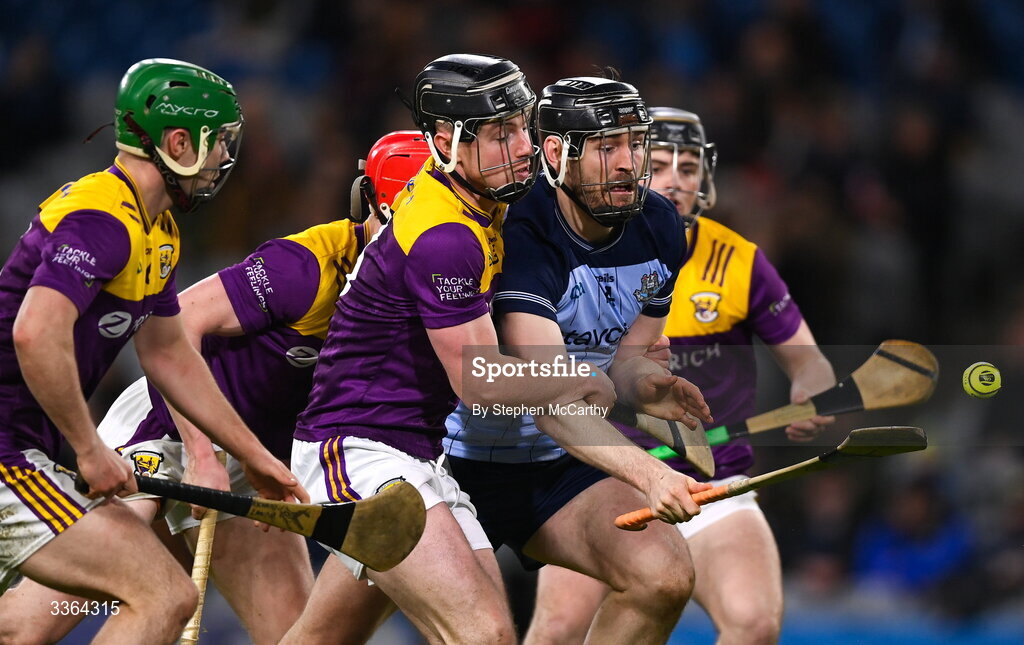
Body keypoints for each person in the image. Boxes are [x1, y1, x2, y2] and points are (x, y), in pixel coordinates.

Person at [0, 129, 429, 643]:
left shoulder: (441, 296)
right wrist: (204, 454)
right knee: (33, 626)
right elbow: (180, 331)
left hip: (253, 465)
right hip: (164, 433)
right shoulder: (307, 265)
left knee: (291, 634)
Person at [281, 54, 616, 645]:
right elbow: (480, 383)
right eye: (499, 133)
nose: (520, 146)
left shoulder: (474, 198)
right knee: (481, 634)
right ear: (445, 140)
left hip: (415, 452)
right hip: (356, 448)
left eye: (522, 125)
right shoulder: (447, 236)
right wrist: (569, 381)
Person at [0, 58, 305, 645]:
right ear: (178, 142)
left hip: (21, 451)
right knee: (164, 595)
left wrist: (251, 454)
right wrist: (89, 449)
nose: (224, 160)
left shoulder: (155, 229)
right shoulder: (102, 218)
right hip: (6, 455)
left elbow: (168, 353)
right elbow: (34, 332)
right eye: (219, 143)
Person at [527, 108, 837, 645]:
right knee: (558, 630)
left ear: (705, 179)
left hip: (715, 484)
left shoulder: (739, 261)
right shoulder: (575, 246)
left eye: (689, 167)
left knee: (755, 625)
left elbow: (808, 359)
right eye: (661, 162)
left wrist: (812, 385)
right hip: (605, 477)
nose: (675, 179)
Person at [441, 77, 716, 645]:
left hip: (560, 469)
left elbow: (627, 360)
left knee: (664, 576)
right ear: (554, 153)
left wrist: (646, 386)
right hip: (457, 464)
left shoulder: (661, 225)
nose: (628, 164)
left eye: (635, 144)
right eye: (606, 146)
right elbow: (548, 395)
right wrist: (651, 472)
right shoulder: (521, 227)